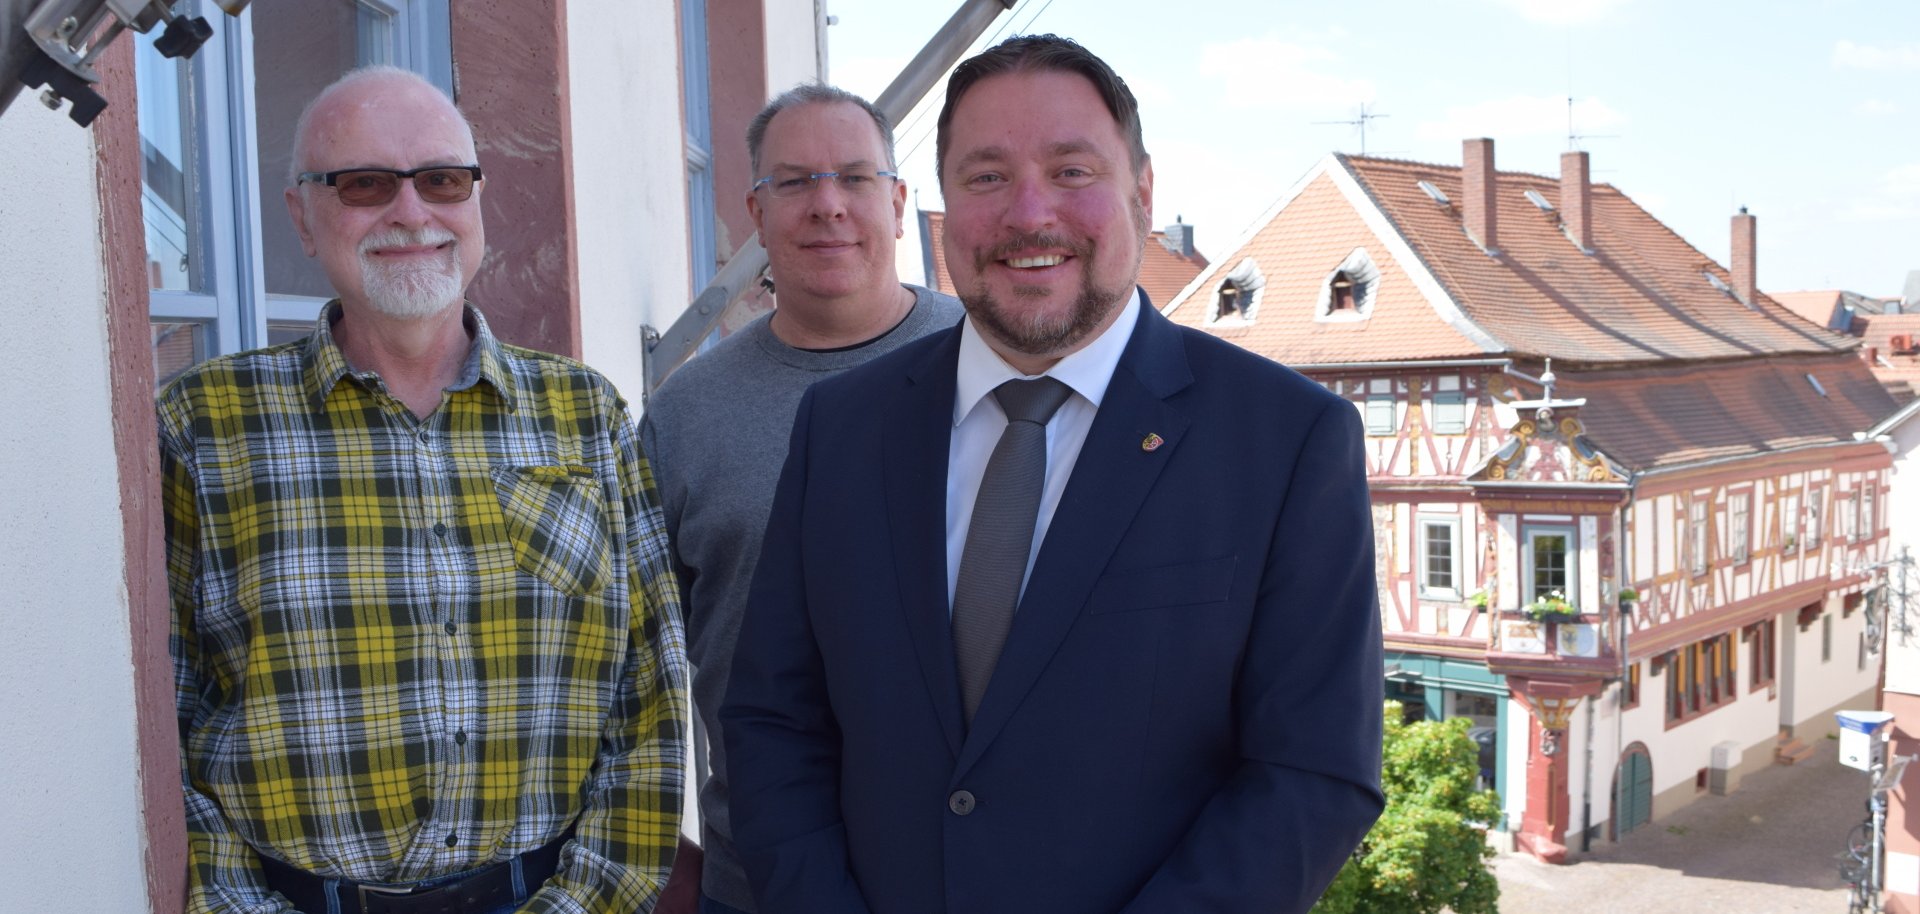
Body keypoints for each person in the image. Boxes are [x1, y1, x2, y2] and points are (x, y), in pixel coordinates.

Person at [721, 35, 1384, 914]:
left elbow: (1312, 773)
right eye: (986, 177)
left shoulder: (1288, 439)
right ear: (941, 205)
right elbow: (775, 722)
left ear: (1142, 192)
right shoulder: (842, 428)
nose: (1030, 214)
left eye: (1072, 170)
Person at [159, 65, 688, 914]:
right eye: (364, 184)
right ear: (302, 214)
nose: (411, 213)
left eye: (442, 180)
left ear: (476, 200)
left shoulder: (584, 414)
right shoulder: (206, 424)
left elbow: (648, 698)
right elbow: (168, 716)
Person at [640, 84, 962, 914]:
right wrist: (645, 851)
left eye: (855, 179)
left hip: (977, 871)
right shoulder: (686, 412)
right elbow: (629, 664)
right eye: (795, 182)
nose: (828, 206)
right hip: (757, 888)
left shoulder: (998, 371)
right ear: (756, 210)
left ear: (897, 202)